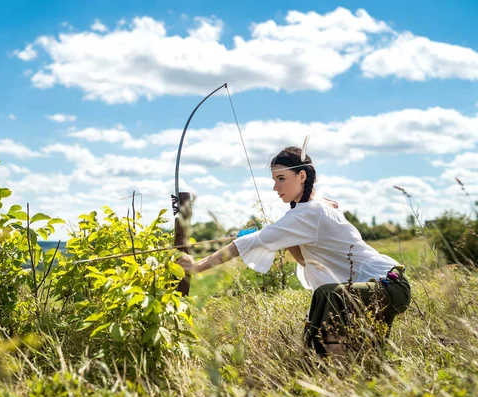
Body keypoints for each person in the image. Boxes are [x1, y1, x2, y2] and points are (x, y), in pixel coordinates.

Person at [176, 146, 411, 356]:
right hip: (381, 286)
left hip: (386, 285)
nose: (275, 187)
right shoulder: (314, 207)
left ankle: (334, 373)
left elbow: (243, 245)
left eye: (281, 178)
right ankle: (339, 377)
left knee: (329, 296)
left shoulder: (308, 213)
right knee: (365, 354)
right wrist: (283, 236)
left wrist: (197, 266)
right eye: (273, 179)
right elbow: (306, 258)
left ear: (302, 176)